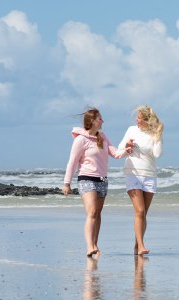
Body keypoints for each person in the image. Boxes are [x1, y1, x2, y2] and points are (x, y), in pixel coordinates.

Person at [62, 107, 131, 257]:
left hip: (102, 180)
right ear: (92, 121)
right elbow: (72, 162)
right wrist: (67, 183)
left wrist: (127, 149)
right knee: (92, 212)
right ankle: (89, 246)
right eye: (100, 118)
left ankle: (95, 244)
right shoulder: (81, 139)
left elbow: (115, 154)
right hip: (86, 178)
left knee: (98, 214)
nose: (102, 121)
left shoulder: (103, 137)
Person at [118, 106, 164, 255]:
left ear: (146, 120)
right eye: (136, 117)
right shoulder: (131, 130)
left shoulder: (154, 134)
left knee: (143, 215)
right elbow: (120, 149)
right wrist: (127, 146)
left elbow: (157, 154)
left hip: (150, 175)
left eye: (139, 117)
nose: (136, 120)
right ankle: (141, 245)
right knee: (140, 210)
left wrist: (158, 136)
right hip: (133, 173)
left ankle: (137, 245)